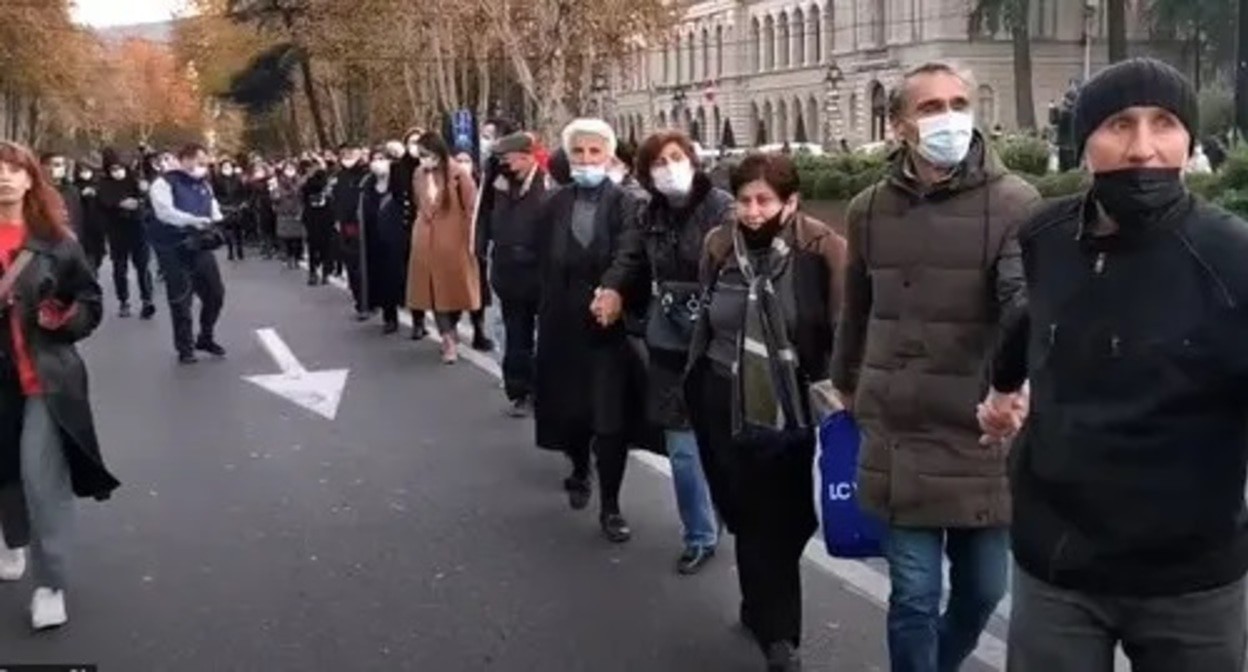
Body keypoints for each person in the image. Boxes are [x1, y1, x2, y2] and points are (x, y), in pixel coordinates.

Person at [980, 58, 1248, 672]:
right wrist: (1000, 390)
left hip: (1189, 581)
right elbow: (1028, 312)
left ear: (1188, 140)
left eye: (1166, 124)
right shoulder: (1046, 234)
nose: (1144, 149)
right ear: (1084, 142)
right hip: (1058, 564)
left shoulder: (1231, 258)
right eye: (1120, 124)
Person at [829, 62, 1040, 672]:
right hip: (899, 429)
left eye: (957, 102)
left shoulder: (1015, 201)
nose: (948, 117)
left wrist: (1014, 384)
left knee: (982, 592)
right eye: (929, 107)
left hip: (980, 429)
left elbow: (1020, 300)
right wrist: (844, 382)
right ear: (899, 125)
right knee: (915, 597)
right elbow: (857, 308)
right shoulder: (869, 208)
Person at [682, 152, 844, 670]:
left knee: (786, 519)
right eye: (745, 201)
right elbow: (707, 314)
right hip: (720, 395)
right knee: (746, 513)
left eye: (764, 200)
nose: (752, 212)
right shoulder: (718, 246)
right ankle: (769, 621)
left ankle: (773, 625)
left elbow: (842, 326)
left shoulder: (821, 247)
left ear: (790, 201)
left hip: (788, 403)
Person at [597, 130, 731, 574]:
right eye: (658, 162)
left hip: (718, 339)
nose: (669, 168)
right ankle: (699, 534)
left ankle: (728, 510)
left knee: (725, 441)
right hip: (668, 337)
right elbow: (629, 257)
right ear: (646, 174)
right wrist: (612, 289)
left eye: (676, 157)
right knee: (682, 448)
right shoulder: (646, 212)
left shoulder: (723, 209)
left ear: (693, 160)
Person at [0, 140, 120, 630]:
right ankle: (12, 539)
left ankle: (51, 585)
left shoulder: (57, 242)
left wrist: (64, 317)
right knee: (5, 472)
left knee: (40, 479)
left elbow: (91, 303)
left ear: (31, 179)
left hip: (43, 382)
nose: (4, 177)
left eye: (14, 169)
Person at [535, 119, 647, 543]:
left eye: (594, 152)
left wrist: (613, 289)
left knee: (609, 418)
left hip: (607, 326)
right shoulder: (553, 203)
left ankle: (612, 505)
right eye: (578, 152)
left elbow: (629, 253)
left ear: (609, 155)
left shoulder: (625, 203)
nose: (586, 160)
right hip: (561, 322)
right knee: (571, 408)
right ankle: (578, 468)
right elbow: (542, 261)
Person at [480, 132, 549, 416]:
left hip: (539, 269)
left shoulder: (546, 182)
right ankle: (520, 390)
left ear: (526, 156)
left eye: (508, 159)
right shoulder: (499, 182)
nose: (504, 165)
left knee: (545, 334)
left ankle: (545, 387)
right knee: (515, 332)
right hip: (507, 270)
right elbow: (483, 215)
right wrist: (481, 249)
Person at [147, 144, 227, 365]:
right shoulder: (164, 183)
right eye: (199, 161)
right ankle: (185, 347)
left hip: (200, 245)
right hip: (174, 247)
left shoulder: (204, 184)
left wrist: (220, 221)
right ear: (185, 159)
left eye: (205, 161)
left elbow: (213, 209)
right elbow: (165, 213)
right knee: (181, 299)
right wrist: (193, 220)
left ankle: (206, 336)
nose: (203, 165)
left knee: (215, 295)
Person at [407, 132, 481, 364]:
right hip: (426, 239)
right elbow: (419, 202)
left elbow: (471, 208)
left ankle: (453, 325)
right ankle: (447, 338)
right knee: (434, 292)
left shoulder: (458, 173)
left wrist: (472, 239)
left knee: (455, 292)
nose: (423, 161)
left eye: (427, 155)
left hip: (454, 241)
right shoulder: (419, 174)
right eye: (420, 156)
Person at [97, 152, 155, 319]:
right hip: (117, 231)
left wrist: (142, 198)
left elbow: (147, 200)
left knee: (143, 266)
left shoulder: (134, 180)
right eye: (113, 169)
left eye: (120, 168)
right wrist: (118, 204)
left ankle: (147, 300)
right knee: (120, 269)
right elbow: (103, 203)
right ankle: (124, 301)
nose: (118, 172)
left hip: (138, 228)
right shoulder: (104, 184)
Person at [358, 148, 410, 334]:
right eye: (375, 159)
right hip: (374, 239)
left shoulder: (399, 181)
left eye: (382, 158)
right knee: (382, 278)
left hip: (397, 238)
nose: (378, 162)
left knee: (400, 276)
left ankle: (415, 316)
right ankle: (390, 316)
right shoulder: (367, 184)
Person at [394, 128, 428, 339]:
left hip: (432, 227)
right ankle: (418, 320)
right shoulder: (398, 169)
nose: (414, 146)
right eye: (411, 142)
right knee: (414, 276)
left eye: (419, 142)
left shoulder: (433, 166)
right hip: (408, 228)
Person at [333, 144, 370, 319]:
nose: (347, 158)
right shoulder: (339, 176)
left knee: (365, 265)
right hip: (346, 226)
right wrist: (337, 219)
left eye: (351, 155)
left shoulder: (366, 175)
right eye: (344, 155)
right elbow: (336, 200)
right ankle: (359, 300)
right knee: (352, 265)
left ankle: (366, 302)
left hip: (364, 224)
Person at [300, 158, 335, 286]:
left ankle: (326, 272)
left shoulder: (325, 177)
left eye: (315, 165)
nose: (313, 168)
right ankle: (313, 272)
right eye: (310, 166)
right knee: (312, 245)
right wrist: (308, 178)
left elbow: (322, 186)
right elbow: (304, 193)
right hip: (311, 216)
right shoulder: (306, 179)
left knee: (326, 245)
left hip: (326, 215)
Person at [72, 162, 107, 272]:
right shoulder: (74, 187)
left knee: (98, 255)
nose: (85, 173)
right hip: (82, 226)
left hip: (98, 226)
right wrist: (80, 195)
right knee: (87, 257)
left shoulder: (99, 185)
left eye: (87, 170)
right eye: (82, 171)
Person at [212, 158, 247, 261]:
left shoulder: (237, 178)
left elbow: (242, 192)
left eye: (229, 166)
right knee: (228, 230)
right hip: (225, 207)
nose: (227, 168)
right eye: (225, 166)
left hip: (237, 206)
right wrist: (220, 203)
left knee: (238, 230)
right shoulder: (217, 179)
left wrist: (242, 203)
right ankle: (230, 250)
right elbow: (215, 193)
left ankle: (240, 249)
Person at [273, 162, 304, 270]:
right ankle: (289, 257)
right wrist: (275, 195)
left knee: (297, 238)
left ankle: (297, 258)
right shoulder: (278, 182)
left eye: (292, 168)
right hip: (284, 212)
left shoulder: (301, 181)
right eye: (288, 168)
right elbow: (274, 197)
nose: (290, 170)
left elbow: (303, 196)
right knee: (287, 239)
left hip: (297, 212)